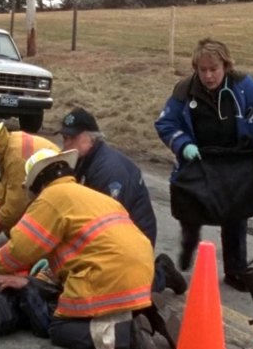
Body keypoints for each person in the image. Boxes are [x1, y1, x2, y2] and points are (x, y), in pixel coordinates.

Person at [0, 148, 165, 349]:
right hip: (143, 268)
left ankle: (127, 337)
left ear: (36, 182)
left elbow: (20, 248)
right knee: (101, 303)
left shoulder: (51, 199)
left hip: (107, 272)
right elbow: (82, 241)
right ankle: (150, 313)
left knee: (61, 328)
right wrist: (49, 265)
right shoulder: (90, 194)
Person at [154, 38, 253, 292]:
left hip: (235, 162)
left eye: (213, 69)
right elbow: (165, 124)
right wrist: (183, 145)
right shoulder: (184, 90)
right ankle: (189, 242)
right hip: (199, 160)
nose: (208, 75)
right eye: (202, 70)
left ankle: (235, 271)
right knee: (191, 210)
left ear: (225, 65)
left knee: (235, 217)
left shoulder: (244, 86)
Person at [59, 107, 187, 295]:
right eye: (64, 138)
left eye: (71, 138)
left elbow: (105, 227)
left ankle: (161, 274)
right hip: (113, 235)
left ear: (90, 137)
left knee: (112, 286)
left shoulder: (110, 171)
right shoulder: (82, 160)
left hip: (133, 240)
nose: (65, 145)